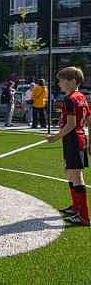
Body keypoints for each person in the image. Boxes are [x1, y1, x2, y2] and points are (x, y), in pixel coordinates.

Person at [47, 67, 91, 226]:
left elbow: (71, 124)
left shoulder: (70, 99)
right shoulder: (82, 97)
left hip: (73, 139)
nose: (59, 84)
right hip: (78, 139)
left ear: (72, 81)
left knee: (76, 175)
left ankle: (84, 215)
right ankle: (76, 208)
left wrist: (55, 137)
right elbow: (89, 120)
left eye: (61, 81)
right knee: (71, 173)